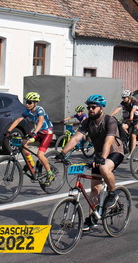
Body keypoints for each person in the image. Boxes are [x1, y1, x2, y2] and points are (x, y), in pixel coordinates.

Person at [57, 94, 124, 232]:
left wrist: (102, 158)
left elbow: (108, 141)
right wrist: (63, 153)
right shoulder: (87, 122)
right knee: (95, 188)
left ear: (101, 108)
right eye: (89, 107)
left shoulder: (109, 120)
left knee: (104, 169)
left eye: (93, 107)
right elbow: (76, 139)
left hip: (115, 152)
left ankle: (113, 193)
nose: (90, 109)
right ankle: (93, 217)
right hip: (100, 155)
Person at [7, 92, 54, 184]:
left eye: (29, 102)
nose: (27, 104)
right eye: (26, 102)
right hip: (38, 132)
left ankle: (50, 173)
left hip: (47, 133)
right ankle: (31, 163)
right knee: (23, 143)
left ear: (35, 103)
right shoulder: (28, 111)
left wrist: (34, 132)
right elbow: (18, 120)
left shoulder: (40, 110)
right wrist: (8, 131)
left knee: (40, 155)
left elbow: (40, 122)